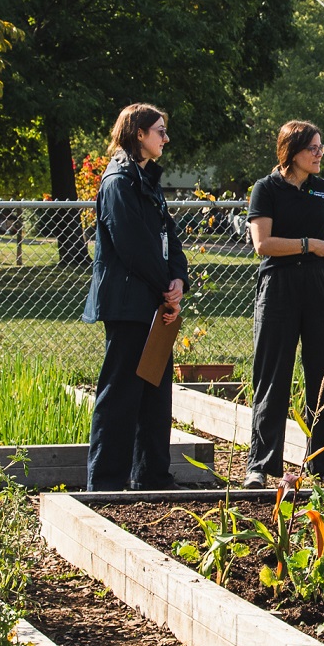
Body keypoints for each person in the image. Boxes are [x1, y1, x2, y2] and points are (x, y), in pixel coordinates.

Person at [243, 120, 324, 489]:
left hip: (320, 287)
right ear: (291, 152)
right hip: (279, 286)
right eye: (313, 148)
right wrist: (309, 244)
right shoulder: (267, 188)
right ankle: (259, 465)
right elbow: (263, 244)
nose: (320, 153)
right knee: (272, 375)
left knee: (322, 377)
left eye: (321, 147)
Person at [83, 103, 188, 491]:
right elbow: (132, 246)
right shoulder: (117, 181)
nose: (165, 137)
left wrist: (179, 278)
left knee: (155, 392)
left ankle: (151, 477)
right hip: (128, 304)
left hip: (156, 302)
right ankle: (106, 483)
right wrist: (166, 285)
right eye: (160, 130)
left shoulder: (147, 178)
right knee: (121, 393)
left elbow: (167, 236)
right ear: (139, 133)